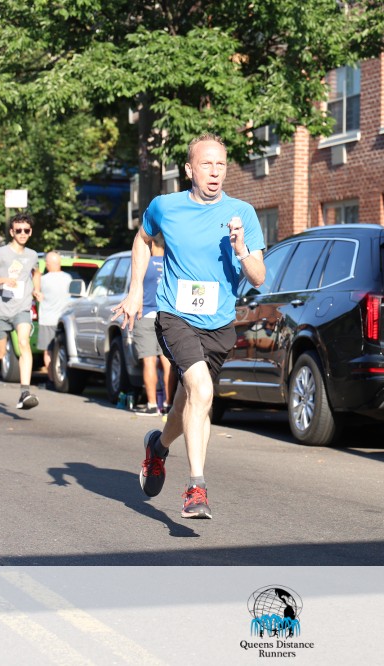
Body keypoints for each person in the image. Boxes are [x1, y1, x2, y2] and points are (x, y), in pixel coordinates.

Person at [113, 133, 266, 519]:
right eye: (206, 164)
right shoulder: (165, 207)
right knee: (202, 389)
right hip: (175, 315)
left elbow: (259, 277)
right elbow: (142, 239)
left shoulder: (242, 213)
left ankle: (158, 447)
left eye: (220, 165)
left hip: (220, 323)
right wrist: (135, 291)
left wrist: (241, 249)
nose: (215, 172)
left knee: (189, 399)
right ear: (189, 169)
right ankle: (196, 487)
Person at [0, 211, 42, 410]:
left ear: (30, 232)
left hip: (22, 308)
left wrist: (37, 290)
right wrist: (3, 280)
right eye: (19, 230)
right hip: (0, 311)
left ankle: (25, 393)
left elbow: (36, 273)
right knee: (0, 353)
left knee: (24, 343)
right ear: (12, 232)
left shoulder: (32, 255)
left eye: (26, 230)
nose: (22, 233)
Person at [131, 235, 176, 416]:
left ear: (151, 243)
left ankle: (151, 405)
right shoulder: (171, 264)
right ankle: (168, 404)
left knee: (149, 361)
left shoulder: (144, 264)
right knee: (168, 362)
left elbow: (135, 289)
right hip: (167, 316)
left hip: (146, 314)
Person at [38, 251, 72, 374]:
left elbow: (36, 294)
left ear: (48, 264)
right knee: (61, 351)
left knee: (48, 351)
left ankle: (51, 378)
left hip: (47, 320)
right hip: (64, 321)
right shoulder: (68, 278)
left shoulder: (43, 280)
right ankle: (60, 376)